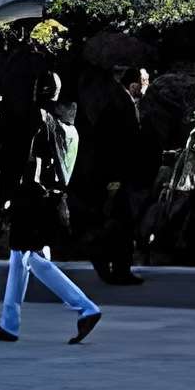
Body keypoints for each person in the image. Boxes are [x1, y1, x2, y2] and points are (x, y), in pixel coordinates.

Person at [0, 36, 102, 346]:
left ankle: (85, 307)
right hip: (56, 201)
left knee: (32, 259)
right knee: (20, 258)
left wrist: (10, 191)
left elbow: (30, 159)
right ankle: (9, 323)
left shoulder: (39, 119)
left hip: (33, 199)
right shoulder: (71, 128)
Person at [73, 61, 160, 287]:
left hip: (117, 175)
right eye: (144, 82)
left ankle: (115, 265)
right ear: (133, 85)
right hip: (117, 176)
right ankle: (113, 264)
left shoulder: (120, 103)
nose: (147, 86)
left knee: (119, 223)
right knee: (121, 223)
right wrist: (114, 179)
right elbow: (114, 147)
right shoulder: (121, 105)